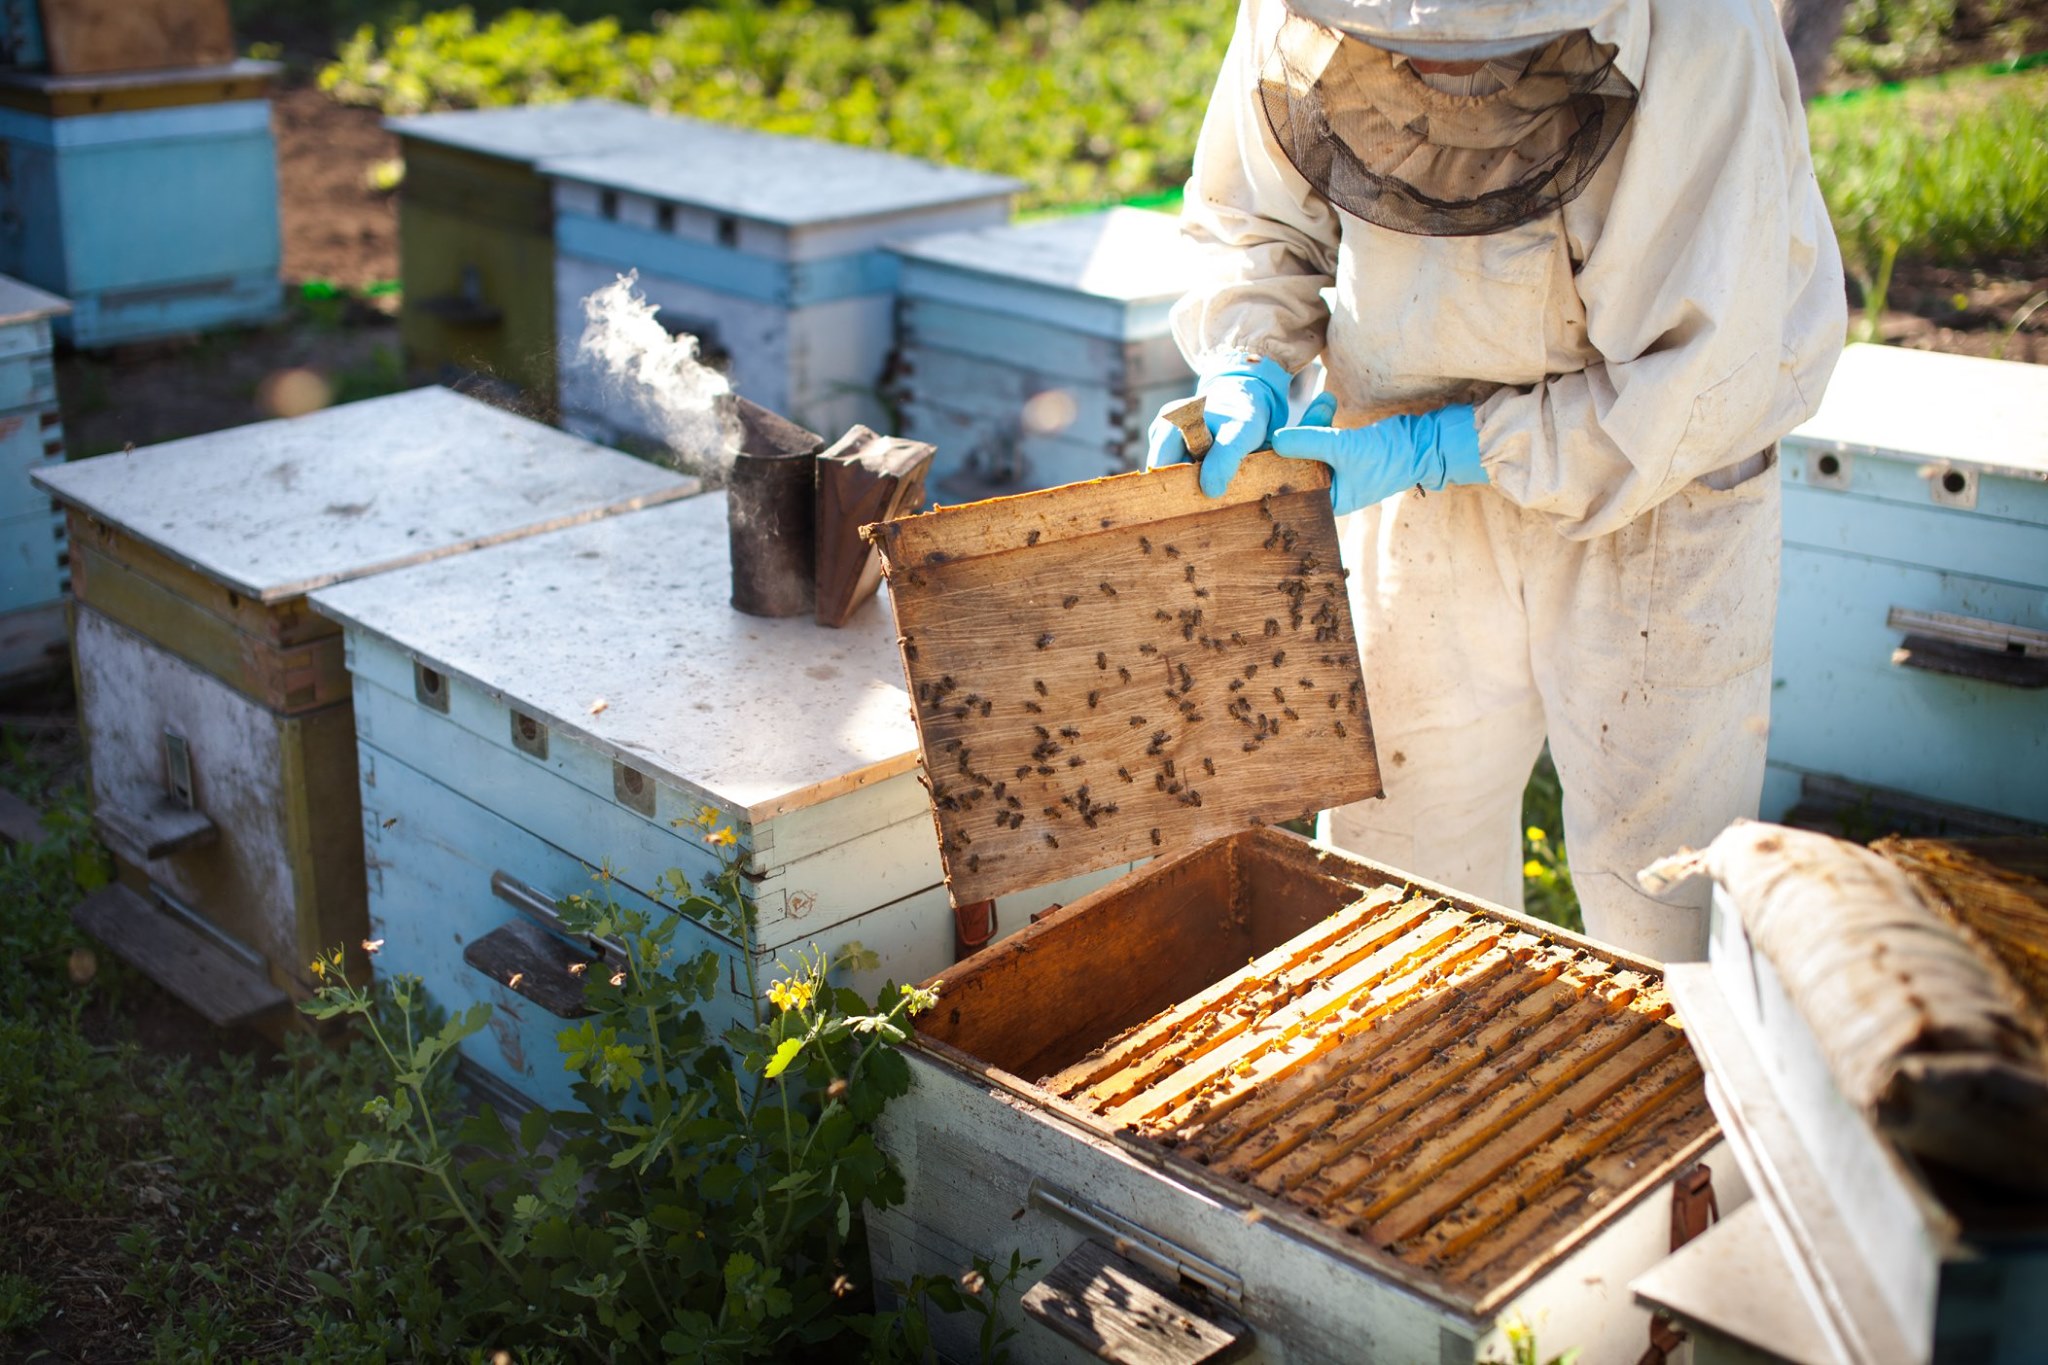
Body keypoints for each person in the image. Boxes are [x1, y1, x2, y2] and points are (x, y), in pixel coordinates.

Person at [1149, 0, 1846, 963]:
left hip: (1657, 495)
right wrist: (1246, 365)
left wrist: (1441, 447)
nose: (1438, 77)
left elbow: (1709, 370)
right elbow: (1253, 216)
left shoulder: (1702, 33)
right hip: (1406, 486)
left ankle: (1681, 1102)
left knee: (1666, 894)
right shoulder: (1296, 13)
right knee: (1403, 869)